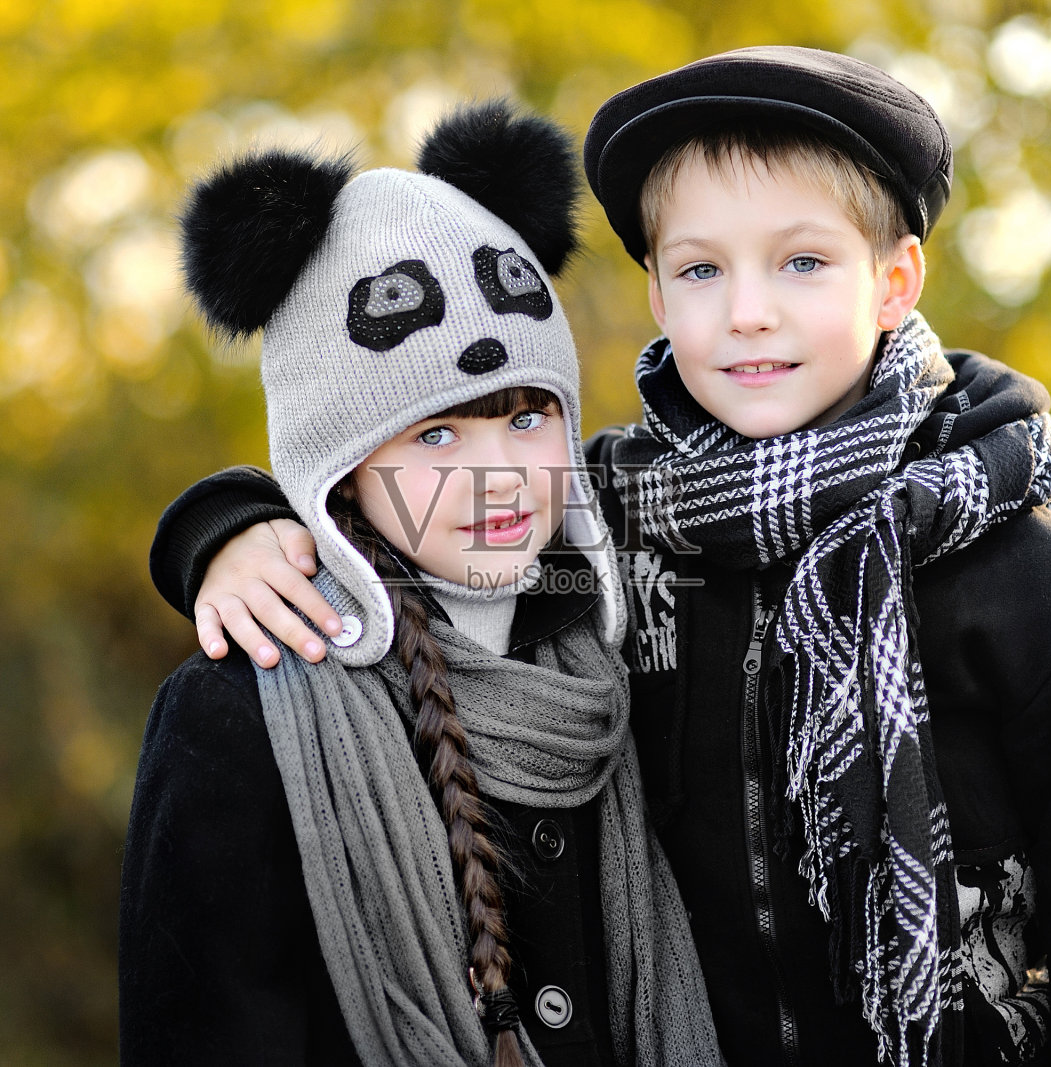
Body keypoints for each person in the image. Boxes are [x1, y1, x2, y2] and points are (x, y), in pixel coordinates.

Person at [145, 49, 1051, 1067]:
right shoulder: (619, 543)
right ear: (660, 297)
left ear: (895, 282)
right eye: (703, 269)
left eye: (802, 261)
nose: (749, 313)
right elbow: (409, 537)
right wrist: (227, 526)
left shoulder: (1040, 592)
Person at [118, 102, 724, 1067]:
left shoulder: (617, 623)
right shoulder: (239, 712)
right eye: (435, 433)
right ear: (342, 464)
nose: (499, 473)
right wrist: (218, 526)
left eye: (527, 417)